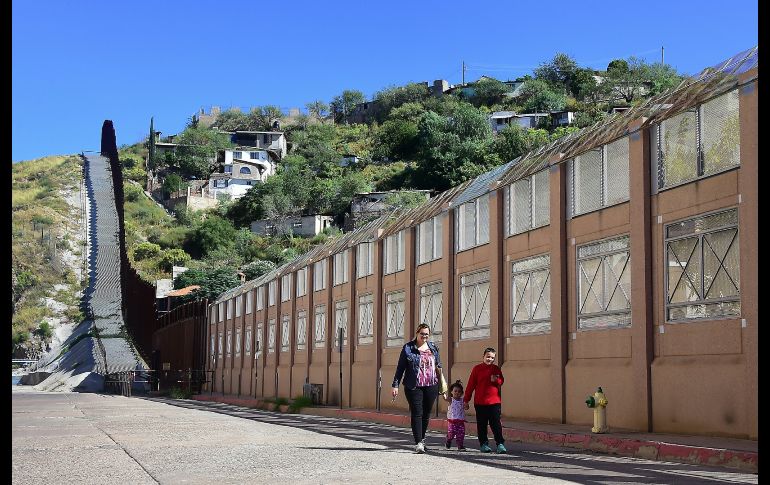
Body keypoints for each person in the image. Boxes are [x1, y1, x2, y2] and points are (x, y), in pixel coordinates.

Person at [391, 323, 442, 454]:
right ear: (417, 333)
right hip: (414, 385)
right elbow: (400, 368)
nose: (424, 336)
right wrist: (395, 385)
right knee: (417, 412)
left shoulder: (434, 348)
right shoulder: (408, 348)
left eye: (427, 334)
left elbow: (438, 367)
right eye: (422, 333)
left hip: (431, 385)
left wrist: (442, 386)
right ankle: (418, 442)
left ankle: (422, 440)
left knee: (426, 414)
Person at [463, 347, 506, 454]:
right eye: (488, 357)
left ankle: (500, 444)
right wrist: (466, 400)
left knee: (496, 424)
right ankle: (484, 444)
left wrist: (497, 380)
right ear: (483, 356)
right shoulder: (477, 369)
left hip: (494, 402)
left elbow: (501, 381)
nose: (489, 359)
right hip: (480, 402)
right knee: (481, 425)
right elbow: (470, 385)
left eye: (492, 357)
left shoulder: (496, 369)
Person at [442, 380, 466, 451]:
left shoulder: (462, 400)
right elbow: (445, 398)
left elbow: (466, 407)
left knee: (461, 434)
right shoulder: (451, 400)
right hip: (452, 421)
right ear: (452, 392)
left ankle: (460, 446)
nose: (457, 393)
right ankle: (448, 440)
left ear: (461, 393)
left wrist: (466, 406)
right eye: (455, 391)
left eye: (459, 391)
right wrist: (443, 393)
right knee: (451, 434)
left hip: (461, 421)